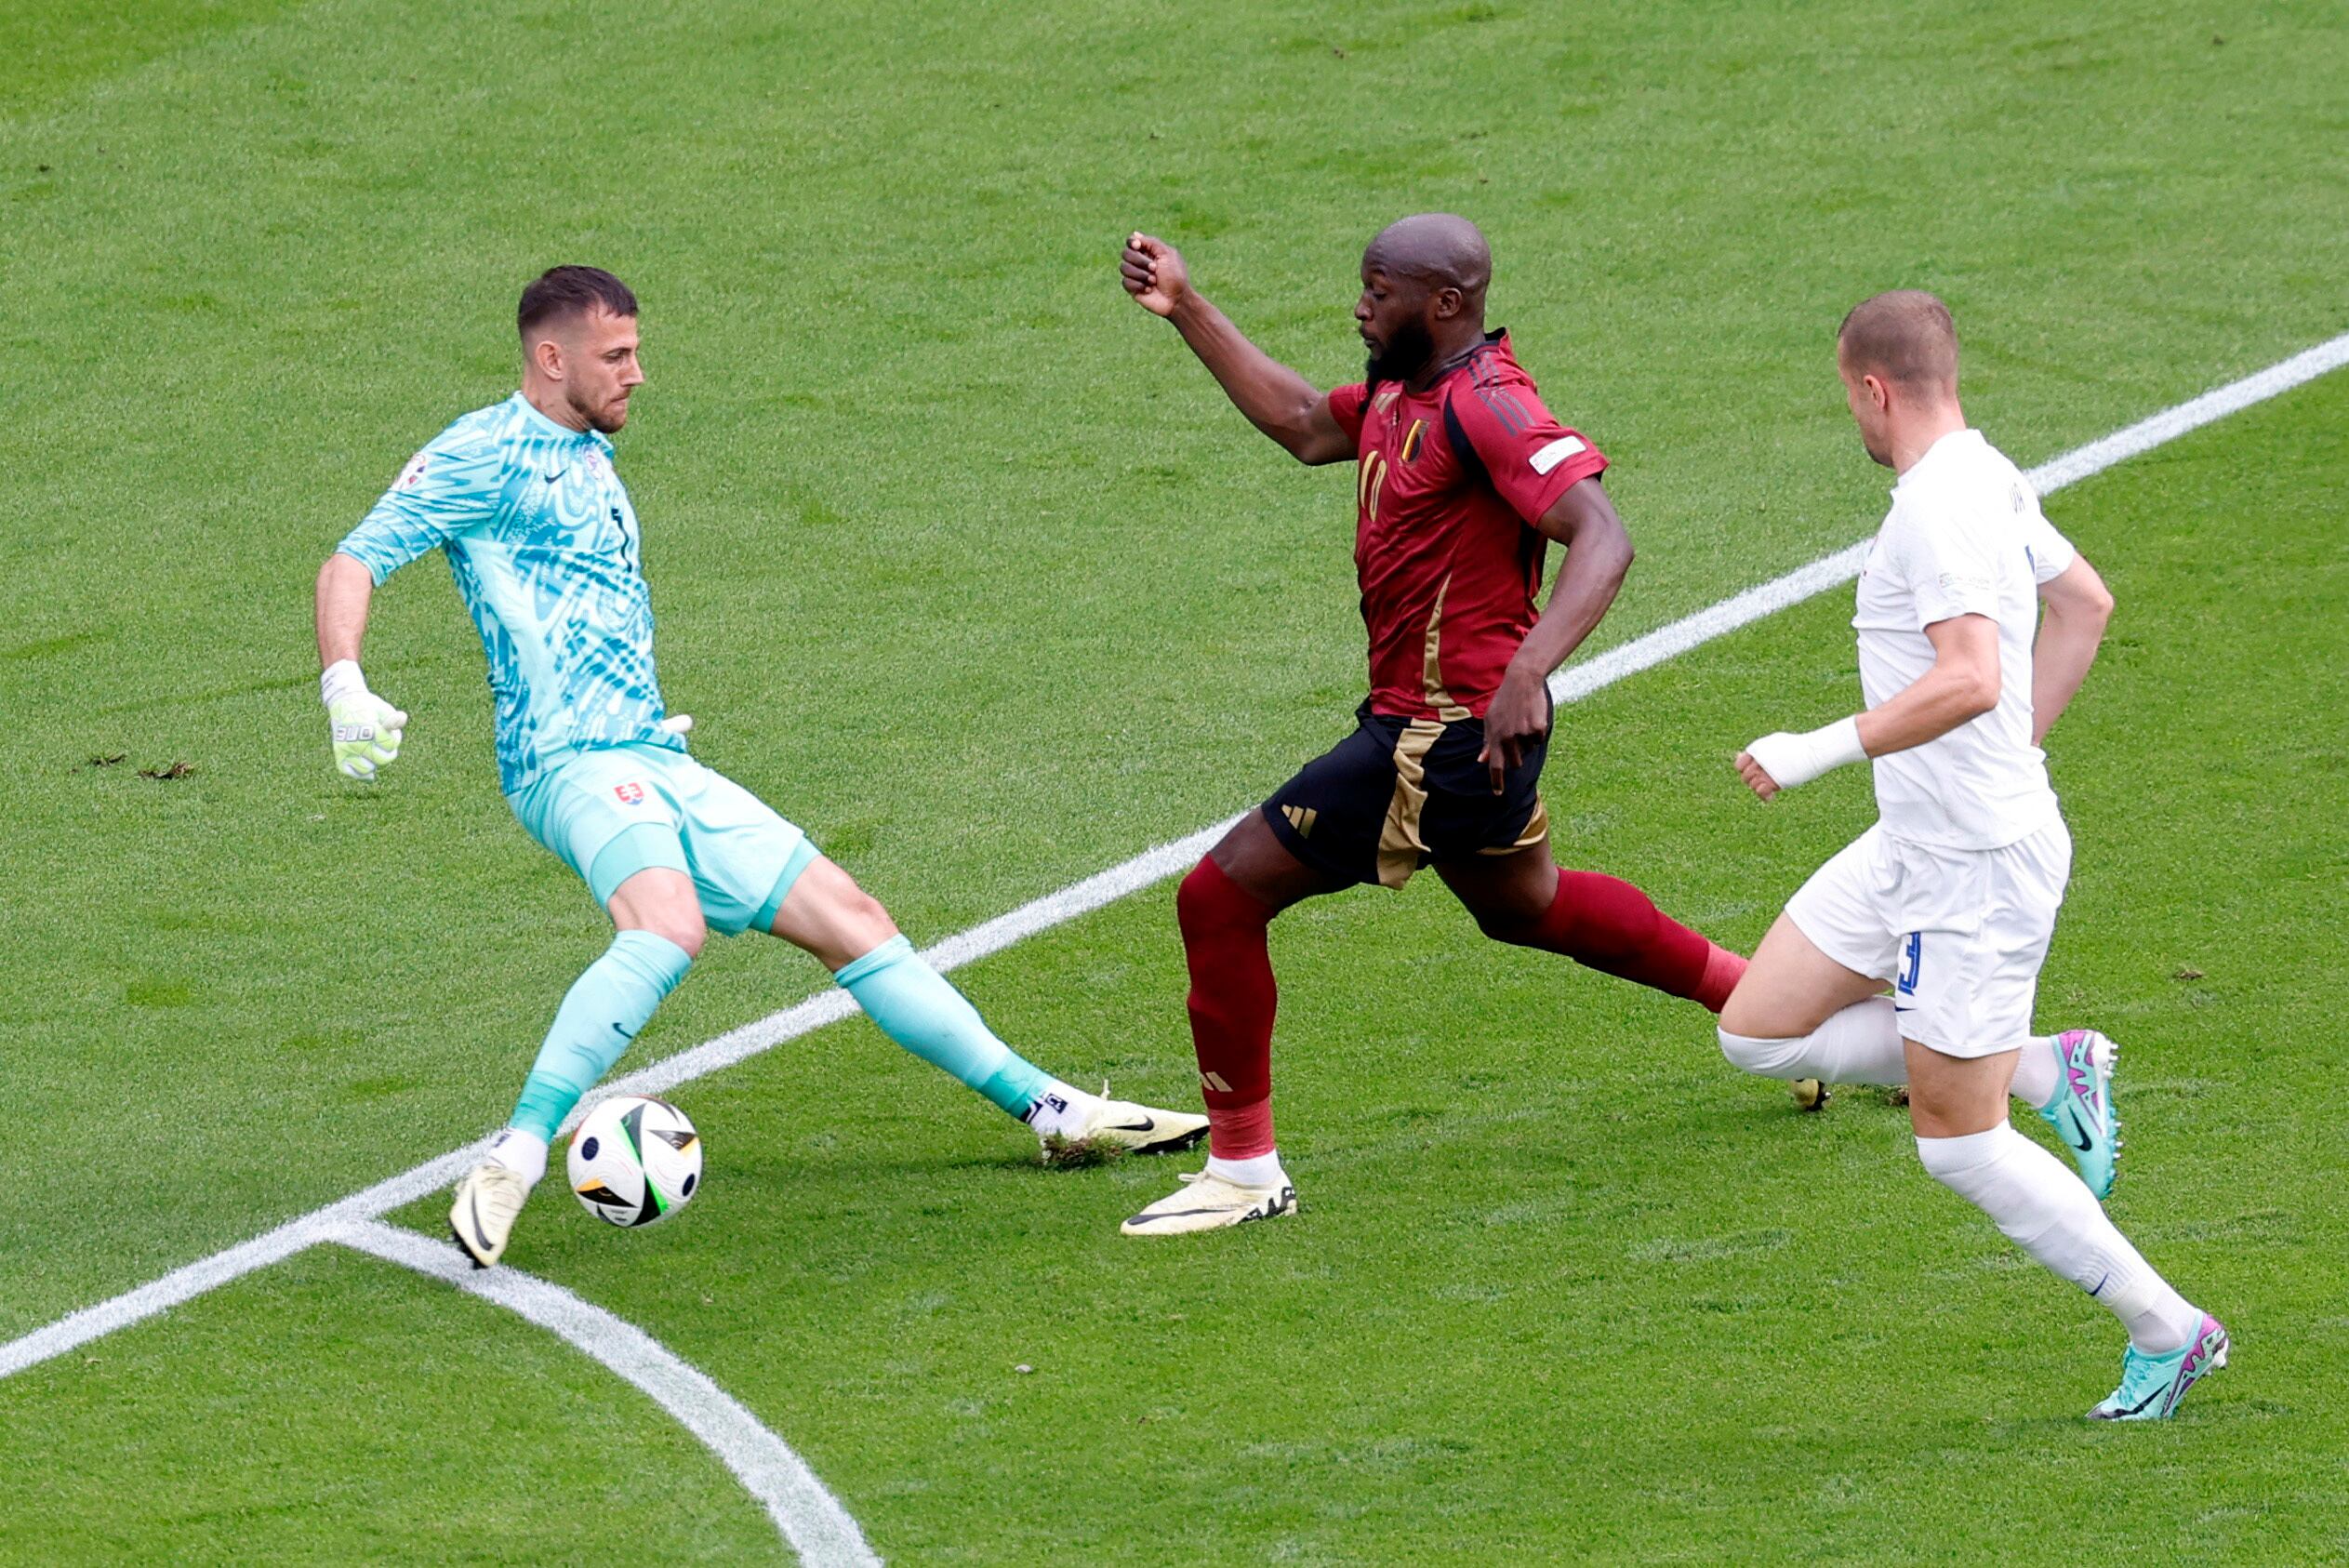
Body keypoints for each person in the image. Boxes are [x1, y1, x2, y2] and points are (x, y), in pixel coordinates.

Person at [316, 266, 1204, 1269]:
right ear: (551, 358)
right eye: (616, 356)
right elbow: (354, 558)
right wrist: (345, 683)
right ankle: (512, 1158)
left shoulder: (587, 448)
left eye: (637, 351)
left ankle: (1053, 1114)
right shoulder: (480, 453)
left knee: (852, 918)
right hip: (568, 763)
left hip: (650, 754)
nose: (637, 373)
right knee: (667, 926)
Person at [1115, 216, 1745, 1237]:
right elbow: (1301, 422)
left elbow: (1603, 535)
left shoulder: (1490, 407)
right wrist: (1186, 306)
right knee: (1527, 906)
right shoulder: (1399, 393)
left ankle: (1243, 1170)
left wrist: (1530, 668)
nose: (1360, 308)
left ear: (1446, 303)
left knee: (1219, 897)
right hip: (1460, 734)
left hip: (1439, 736)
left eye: (1380, 292)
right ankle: (1777, 1007)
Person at [1719, 290, 2225, 1419]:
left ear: (1873, 388)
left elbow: (1969, 677)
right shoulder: (1985, 474)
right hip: (1916, 838)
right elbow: (2084, 605)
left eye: (1846, 395)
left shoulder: (1937, 509)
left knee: (1959, 1145)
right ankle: (2046, 1066)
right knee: (1759, 1031)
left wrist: (1812, 750)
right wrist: (2010, 753)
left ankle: (2169, 1330)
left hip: (1977, 868)